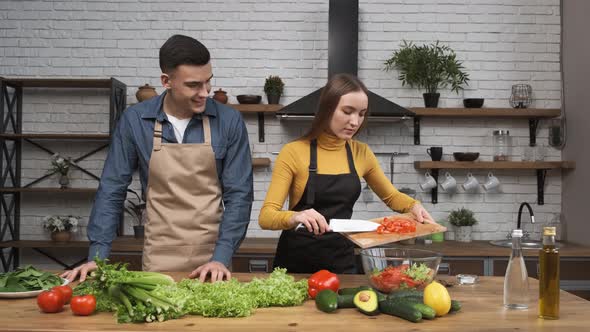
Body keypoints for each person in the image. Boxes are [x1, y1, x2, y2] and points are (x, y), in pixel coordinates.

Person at [62, 34, 253, 282]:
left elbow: (239, 194)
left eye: (208, 82)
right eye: (194, 85)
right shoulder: (135, 121)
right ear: (166, 81)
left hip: (214, 256)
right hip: (159, 255)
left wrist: (221, 257)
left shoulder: (229, 121)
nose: (205, 92)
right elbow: (112, 189)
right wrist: (97, 257)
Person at [258, 73, 435, 274]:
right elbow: (266, 217)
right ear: (327, 109)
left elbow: (392, 197)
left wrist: (414, 205)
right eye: (348, 111)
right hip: (296, 263)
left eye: (361, 113)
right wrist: (295, 217)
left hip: (340, 260)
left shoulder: (361, 153)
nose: (355, 121)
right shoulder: (293, 152)